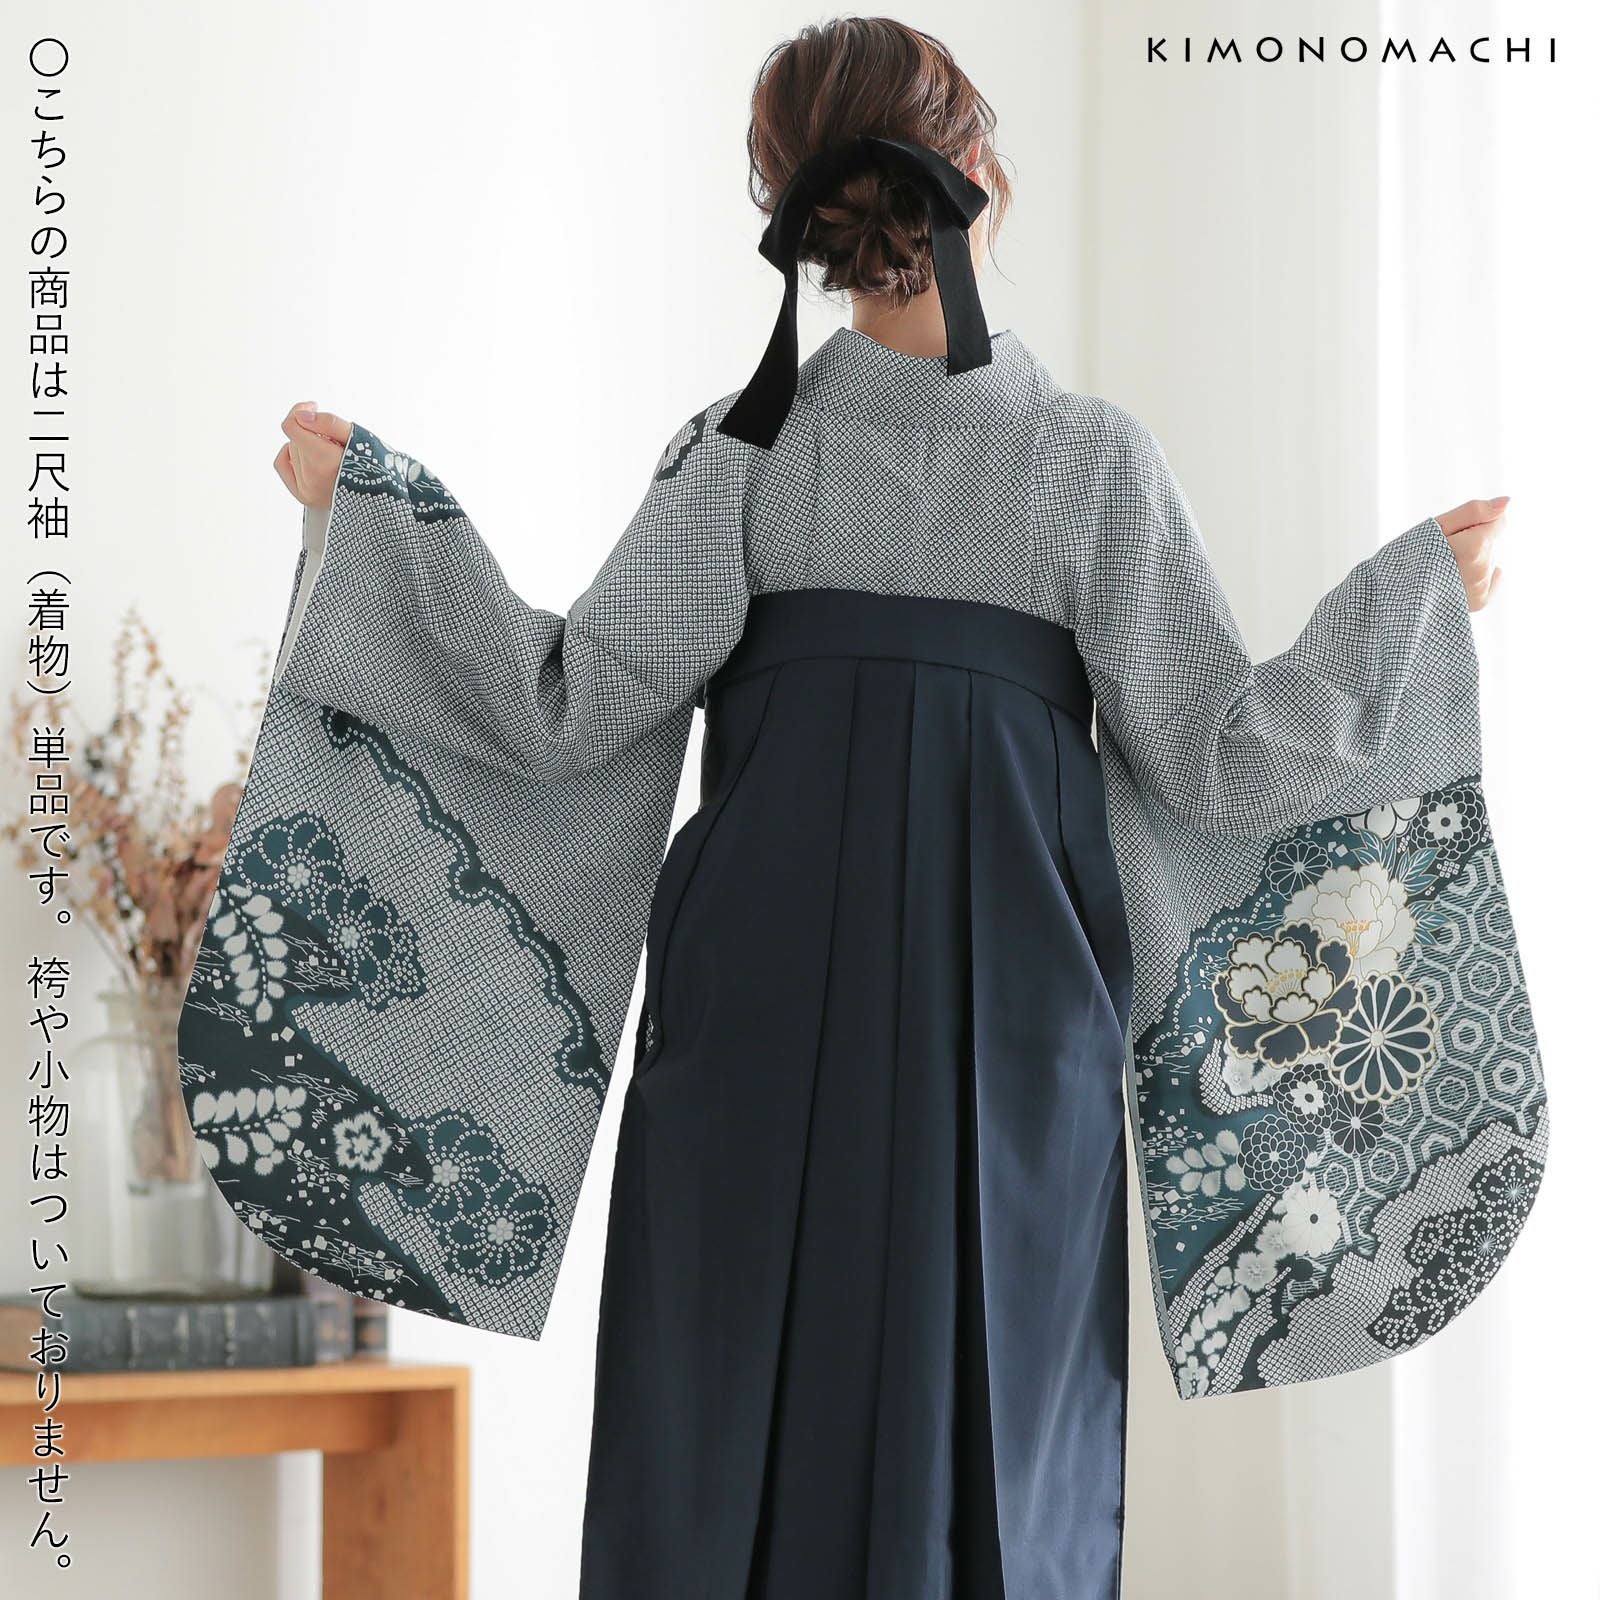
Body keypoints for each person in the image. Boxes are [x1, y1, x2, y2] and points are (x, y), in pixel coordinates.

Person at [184, 17, 1545, 1599]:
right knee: (1002, 1467)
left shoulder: (740, 455)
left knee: (726, 1450)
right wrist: (1411, 609)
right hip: (1010, 1046)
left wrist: (378, 523)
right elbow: (1223, 757)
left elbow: (558, 708)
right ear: (979, 174)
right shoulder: (1084, 463)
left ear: (801, 214)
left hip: (754, 1028)